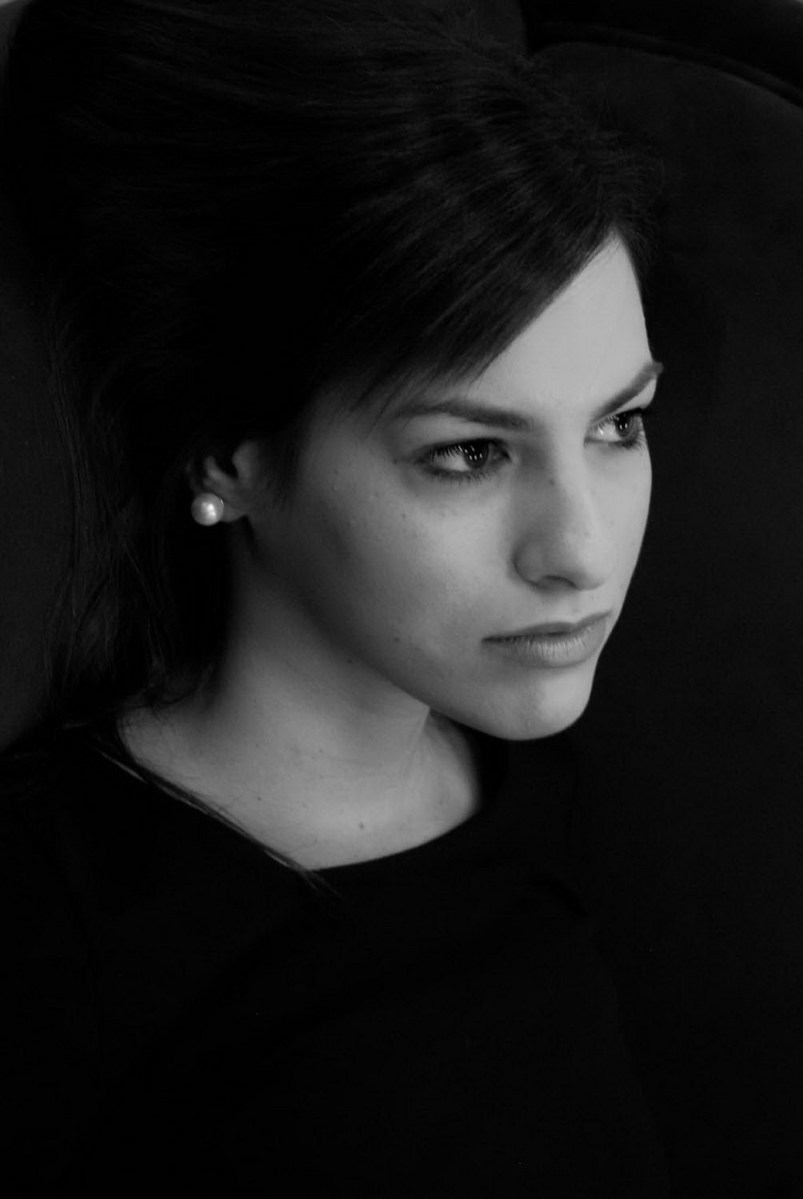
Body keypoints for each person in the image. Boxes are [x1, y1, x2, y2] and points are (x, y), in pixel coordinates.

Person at [0, 0, 667, 1193]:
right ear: (225, 457)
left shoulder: (531, 775)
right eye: (469, 452)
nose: (581, 550)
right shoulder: (52, 920)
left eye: (618, 424)